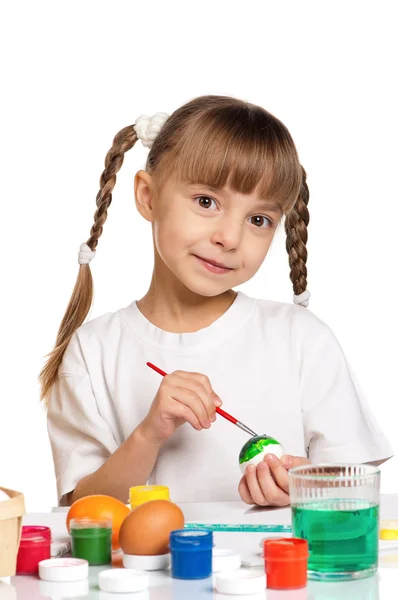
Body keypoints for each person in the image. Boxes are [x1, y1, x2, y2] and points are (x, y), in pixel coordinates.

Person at [39, 95, 393, 508]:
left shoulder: (300, 339)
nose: (230, 237)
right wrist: (149, 433)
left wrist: (302, 486)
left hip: (277, 574)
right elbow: (83, 509)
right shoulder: (93, 350)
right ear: (148, 196)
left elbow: (357, 489)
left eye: (258, 220)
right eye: (206, 202)